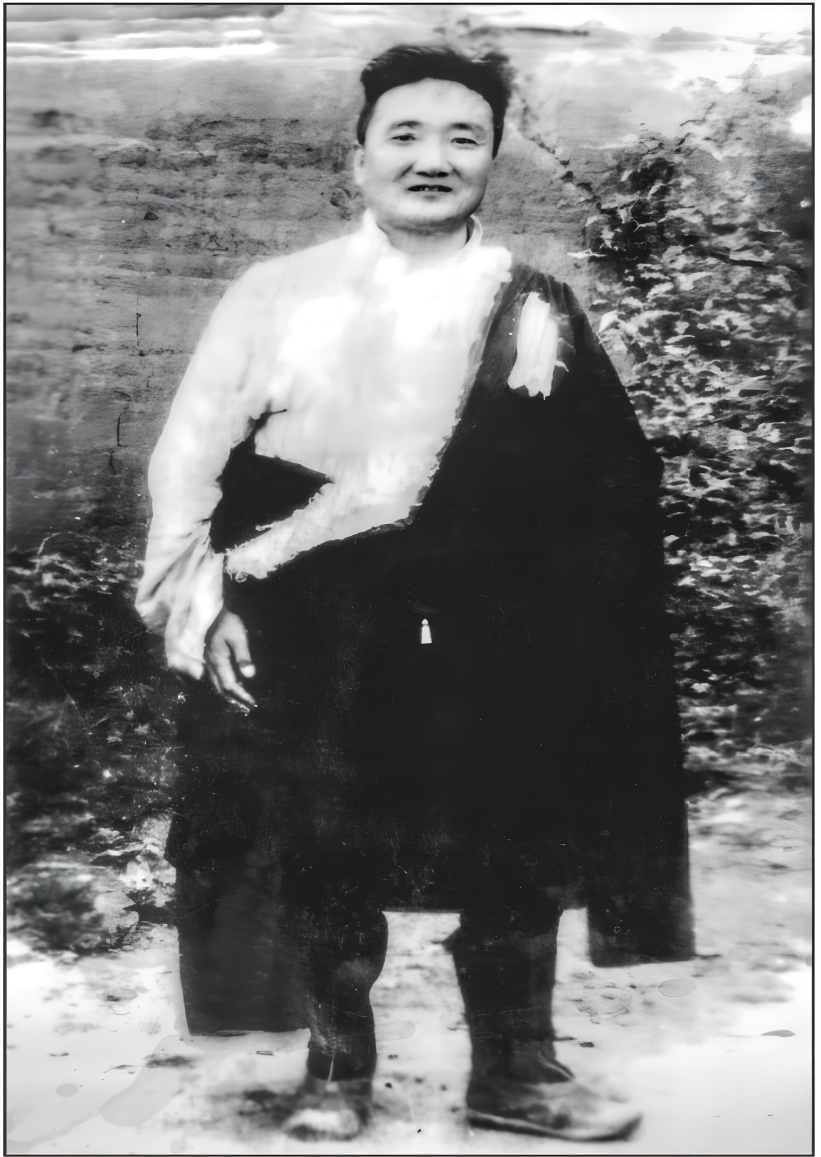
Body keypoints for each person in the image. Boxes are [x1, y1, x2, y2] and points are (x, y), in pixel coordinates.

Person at [137, 44, 693, 1143]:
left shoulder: (534, 307)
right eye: (404, 135)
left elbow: (606, 481)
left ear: (490, 160)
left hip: (497, 629)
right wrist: (205, 601)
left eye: (461, 138)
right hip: (313, 620)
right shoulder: (277, 294)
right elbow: (189, 459)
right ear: (359, 158)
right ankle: (334, 1071)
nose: (431, 159)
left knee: (513, 837)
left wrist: (568, 613)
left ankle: (515, 1070)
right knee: (323, 841)